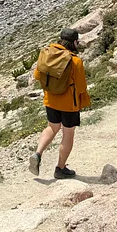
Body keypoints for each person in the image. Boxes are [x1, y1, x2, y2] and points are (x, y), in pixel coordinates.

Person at [28, 28, 91, 179]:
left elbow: (37, 75)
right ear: (74, 42)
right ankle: (60, 168)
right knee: (68, 134)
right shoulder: (75, 61)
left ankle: (37, 154)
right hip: (69, 104)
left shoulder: (47, 54)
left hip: (50, 100)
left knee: (52, 127)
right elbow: (81, 87)